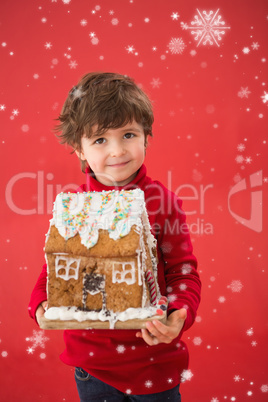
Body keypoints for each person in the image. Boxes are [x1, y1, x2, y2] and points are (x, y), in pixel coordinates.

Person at [28, 72, 201, 402]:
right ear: (78, 148)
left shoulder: (162, 203)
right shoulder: (73, 207)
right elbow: (54, 269)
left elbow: (184, 273)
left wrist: (179, 313)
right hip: (92, 368)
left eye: (129, 134)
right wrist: (39, 305)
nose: (118, 150)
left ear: (146, 137)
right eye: (99, 140)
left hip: (154, 363)